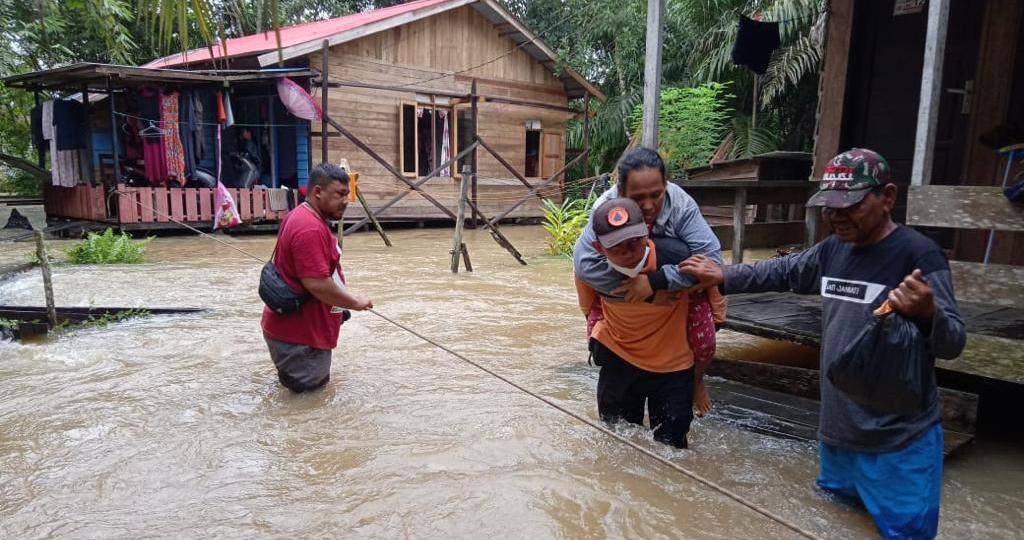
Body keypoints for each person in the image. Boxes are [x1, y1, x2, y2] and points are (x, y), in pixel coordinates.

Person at [679, 149, 966, 539]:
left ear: (888, 198)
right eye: (829, 207)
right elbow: (783, 270)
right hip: (838, 434)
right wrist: (722, 275)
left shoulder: (918, 255)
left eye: (849, 205)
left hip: (899, 442)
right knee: (835, 524)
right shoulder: (834, 250)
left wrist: (928, 313)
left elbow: (952, 343)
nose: (835, 216)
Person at [573, 147, 725, 417]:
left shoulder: (681, 204)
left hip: (672, 280)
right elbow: (585, 265)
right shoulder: (605, 208)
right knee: (599, 343)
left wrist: (657, 281)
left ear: (666, 185)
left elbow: (712, 261)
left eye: (656, 195)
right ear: (621, 194)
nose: (648, 206)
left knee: (704, 343)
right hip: (622, 290)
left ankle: (696, 380)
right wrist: (645, 293)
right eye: (638, 198)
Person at [261, 163, 374, 393]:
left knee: (297, 399)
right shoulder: (309, 228)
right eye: (339, 194)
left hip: (294, 334)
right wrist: (354, 302)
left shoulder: (302, 215)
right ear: (318, 192)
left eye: (347, 194)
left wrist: (339, 307)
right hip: (301, 340)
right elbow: (317, 283)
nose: (346, 201)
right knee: (308, 407)